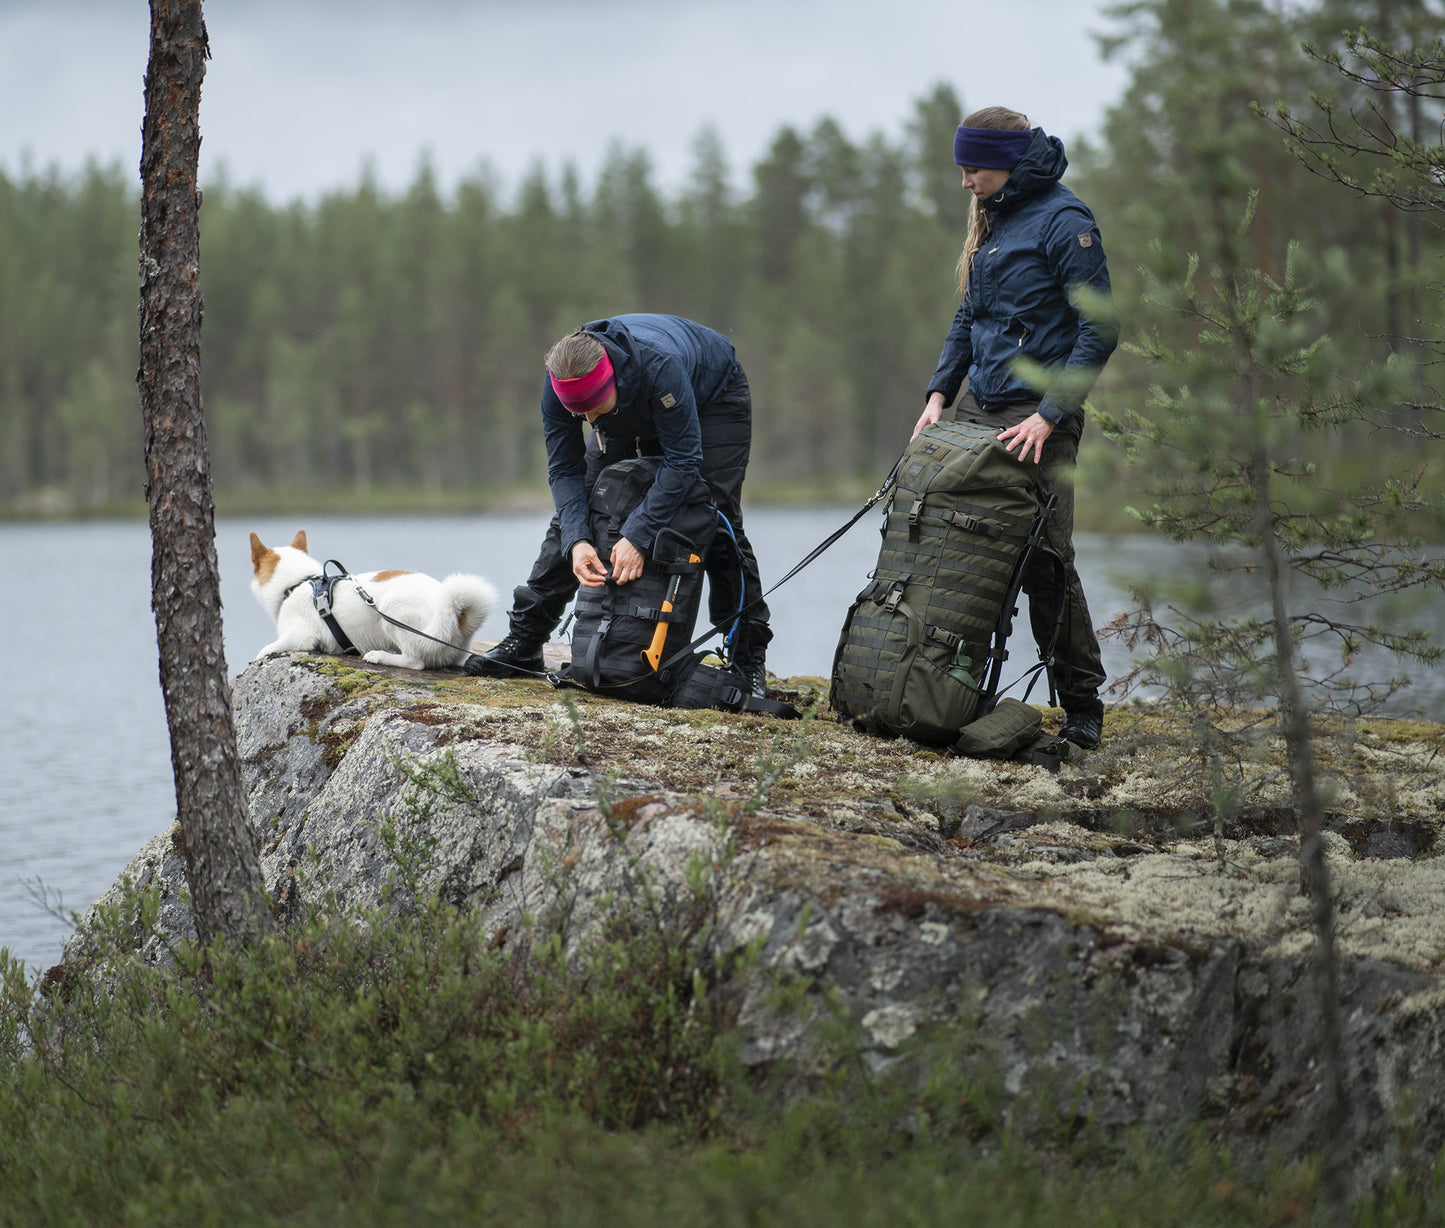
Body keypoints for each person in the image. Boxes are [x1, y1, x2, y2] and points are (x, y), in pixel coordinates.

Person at [912, 107, 1120, 749]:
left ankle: (1082, 708)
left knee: (1046, 563)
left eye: (972, 168)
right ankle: (952, 692)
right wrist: (940, 392)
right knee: (957, 546)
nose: (965, 181)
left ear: (1005, 160)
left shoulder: (1064, 221)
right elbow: (968, 319)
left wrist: (1049, 414)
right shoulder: (995, 220)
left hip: (1041, 419)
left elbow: (1101, 328)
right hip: (979, 409)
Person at [467, 313, 772, 695]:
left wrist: (639, 535)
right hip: (629, 403)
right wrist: (577, 541)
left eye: (593, 408)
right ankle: (525, 641)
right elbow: (565, 470)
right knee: (582, 511)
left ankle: (748, 658)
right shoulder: (559, 381)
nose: (589, 420)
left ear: (611, 379)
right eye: (579, 414)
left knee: (715, 516)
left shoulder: (660, 367)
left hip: (713, 396)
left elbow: (683, 461)